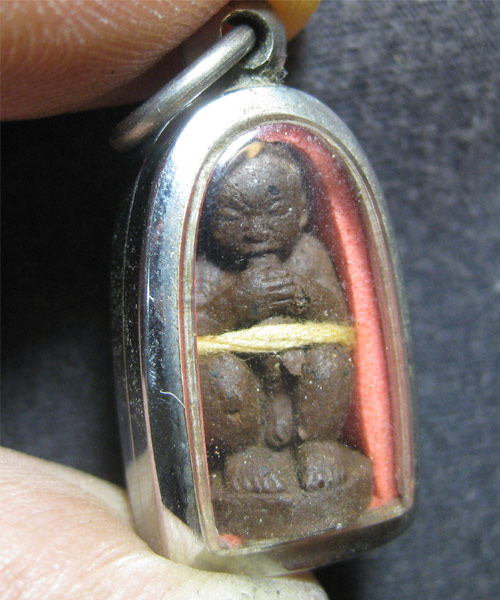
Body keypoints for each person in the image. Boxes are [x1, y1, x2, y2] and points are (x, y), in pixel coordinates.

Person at [0, 1, 327, 598]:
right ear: (209, 219)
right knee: (220, 378)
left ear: (304, 211)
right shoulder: (204, 266)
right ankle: (245, 458)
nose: (256, 228)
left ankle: (324, 445)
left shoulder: (309, 254)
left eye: (275, 209)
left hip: (301, 375)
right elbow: (182, 330)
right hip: (238, 392)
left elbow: (339, 313)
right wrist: (236, 304)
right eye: (235, 213)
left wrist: (304, 296)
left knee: (330, 365)